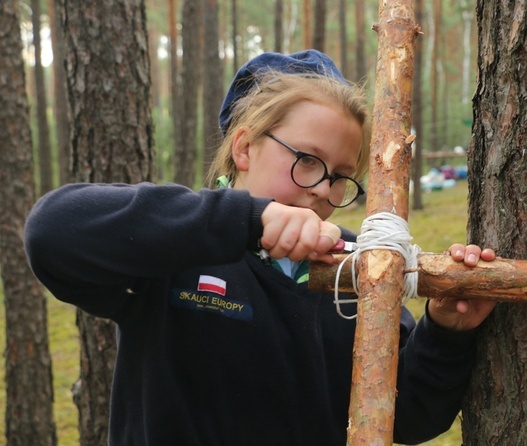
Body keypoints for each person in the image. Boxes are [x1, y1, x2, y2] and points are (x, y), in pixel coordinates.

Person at [24, 50, 496, 445]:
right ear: (245, 148)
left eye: (338, 177)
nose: (319, 190)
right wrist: (250, 219)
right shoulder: (179, 243)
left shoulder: (358, 267)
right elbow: (53, 232)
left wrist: (444, 331)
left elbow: (409, 417)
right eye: (307, 161)